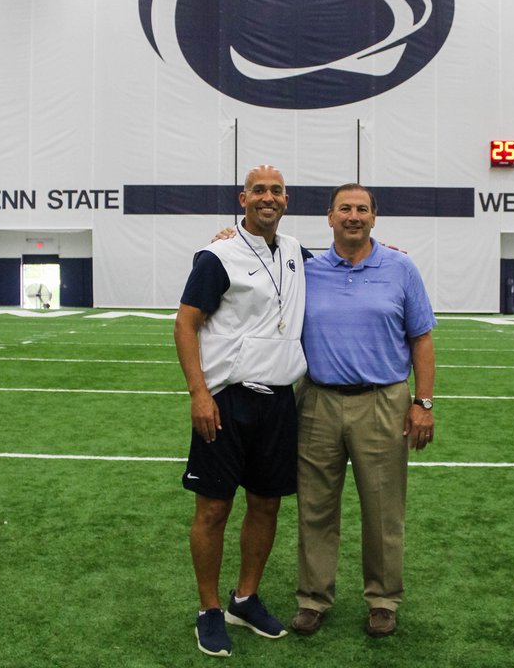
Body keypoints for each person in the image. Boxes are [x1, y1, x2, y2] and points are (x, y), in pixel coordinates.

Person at [173, 165, 310, 658]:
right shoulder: (218, 254)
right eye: (259, 190)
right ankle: (210, 609)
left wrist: (387, 253)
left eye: (275, 190)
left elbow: (341, 265)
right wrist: (199, 394)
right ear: (243, 197)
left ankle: (244, 599)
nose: (267, 197)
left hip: (278, 401)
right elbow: (185, 325)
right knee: (213, 508)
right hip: (226, 399)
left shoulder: (295, 251)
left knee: (267, 503)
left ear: (286, 200)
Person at [289, 182, 436, 639]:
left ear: (374, 217)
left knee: (383, 510)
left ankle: (383, 600)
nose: (353, 216)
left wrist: (423, 403)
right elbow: (257, 259)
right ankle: (313, 598)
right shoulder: (305, 269)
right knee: (315, 508)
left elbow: (422, 339)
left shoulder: (401, 267)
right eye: (344, 208)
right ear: (329, 218)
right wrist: (225, 237)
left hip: (383, 402)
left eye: (362, 209)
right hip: (317, 401)